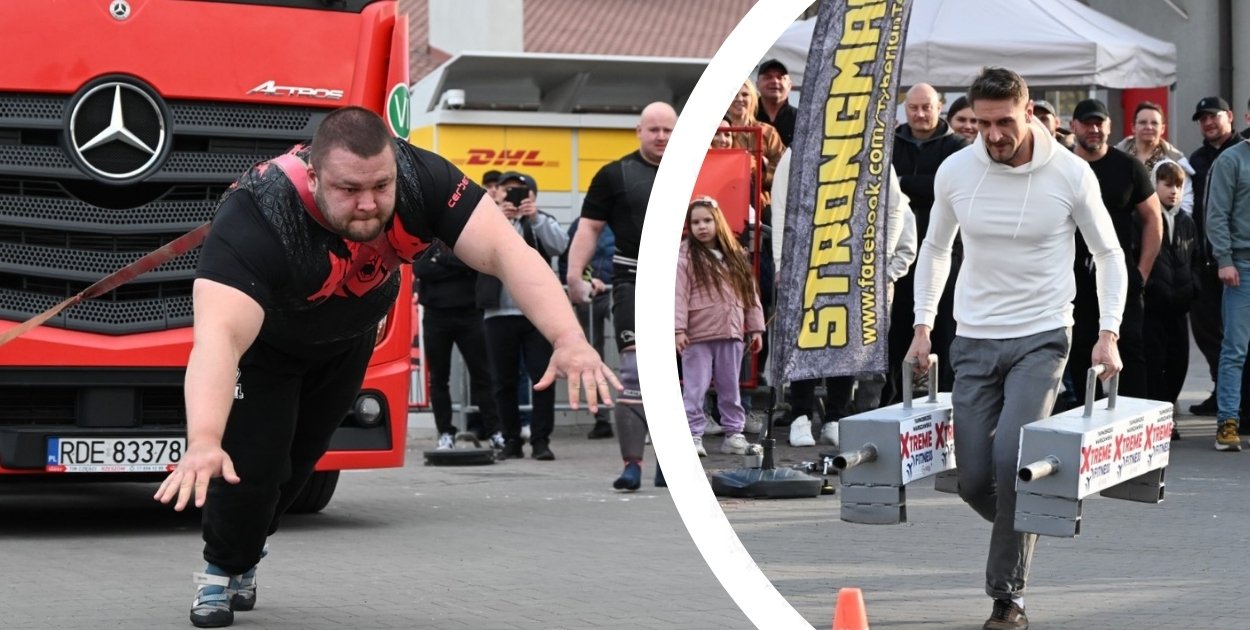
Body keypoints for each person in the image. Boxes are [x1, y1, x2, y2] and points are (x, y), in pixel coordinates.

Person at [152, 107, 617, 628]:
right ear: (313, 174)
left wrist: (569, 338)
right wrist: (205, 438)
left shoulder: (427, 180)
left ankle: (248, 551)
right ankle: (220, 573)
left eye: (380, 185)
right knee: (253, 466)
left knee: (297, 471)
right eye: (349, 189)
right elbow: (218, 338)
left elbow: (508, 252)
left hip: (346, 342)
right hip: (265, 350)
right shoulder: (260, 211)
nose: (369, 204)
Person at [907, 67, 1126, 630]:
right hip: (974, 336)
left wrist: (1108, 333)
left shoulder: (1071, 174)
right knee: (977, 479)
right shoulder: (956, 169)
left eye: (1005, 122)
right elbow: (935, 249)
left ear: (1029, 112)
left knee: (1015, 461)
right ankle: (1030, 516)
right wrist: (923, 324)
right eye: (982, 124)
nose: (995, 135)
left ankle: (1008, 599)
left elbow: (1108, 254)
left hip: (1043, 334)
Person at [770, 151, 917, 442]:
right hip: (808, 260)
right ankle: (800, 415)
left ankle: (836, 417)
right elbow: (781, 208)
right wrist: (780, 262)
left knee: (847, 342)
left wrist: (879, 266)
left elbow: (895, 207)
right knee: (807, 339)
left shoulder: (873, 142)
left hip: (856, 262)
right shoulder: (798, 149)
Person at [567, 101, 676, 491]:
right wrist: (574, 275)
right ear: (639, 131)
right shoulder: (614, 174)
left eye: (668, 130)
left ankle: (673, 464)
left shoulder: (696, 168)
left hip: (684, 283)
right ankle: (633, 464)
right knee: (634, 375)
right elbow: (589, 228)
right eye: (654, 130)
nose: (661, 137)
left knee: (680, 378)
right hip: (632, 279)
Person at [1068, 98, 1162, 402]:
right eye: (1087, 123)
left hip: (1122, 278)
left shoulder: (1128, 166)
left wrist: (1141, 272)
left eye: (1100, 123)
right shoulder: (1062, 167)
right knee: (1081, 352)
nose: (1094, 129)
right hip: (1073, 280)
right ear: (1073, 127)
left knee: (1131, 351)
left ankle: (1135, 426)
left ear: (1109, 126)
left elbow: (1153, 219)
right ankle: (1086, 432)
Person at [477, 171, 569, 461]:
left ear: (532, 196)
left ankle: (541, 440)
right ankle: (511, 440)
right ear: (498, 194)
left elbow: (560, 245)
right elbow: (475, 251)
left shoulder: (543, 220)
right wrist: (502, 220)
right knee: (503, 381)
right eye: (508, 191)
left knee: (542, 377)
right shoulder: (487, 222)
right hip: (498, 313)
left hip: (537, 314)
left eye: (521, 191)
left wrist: (535, 218)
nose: (514, 196)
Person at [890, 83, 968, 402]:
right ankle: (892, 399)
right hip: (898, 252)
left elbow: (948, 189)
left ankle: (948, 398)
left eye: (927, 107)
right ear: (904, 109)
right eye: (913, 108)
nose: (920, 114)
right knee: (897, 329)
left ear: (940, 107)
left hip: (948, 251)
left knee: (946, 326)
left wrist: (905, 183)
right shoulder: (889, 144)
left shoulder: (959, 147)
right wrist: (924, 185)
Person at [675, 196, 764, 457]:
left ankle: (734, 433)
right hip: (697, 334)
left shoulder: (735, 255)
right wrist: (679, 330)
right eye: (695, 222)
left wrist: (755, 327)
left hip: (732, 331)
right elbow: (679, 295)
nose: (702, 227)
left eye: (707, 220)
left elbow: (751, 294)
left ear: (718, 222)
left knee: (730, 387)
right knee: (695, 387)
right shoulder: (685, 256)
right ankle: (692, 434)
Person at [414, 242, 504, 450]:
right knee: (438, 379)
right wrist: (457, 266)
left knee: (483, 375)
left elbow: (474, 265)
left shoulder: (464, 239)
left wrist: (443, 260)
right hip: (435, 316)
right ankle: (445, 432)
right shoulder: (427, 241)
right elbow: (421, 269)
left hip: (469, 315)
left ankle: (494, 431)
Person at [1187, 96, 1243, 417]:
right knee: (1207, 331)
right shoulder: (1196, 159)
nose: (1208, 123)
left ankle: (1237, 402)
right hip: (1204, 262)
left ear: (1231, 117)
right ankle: (1220, 390)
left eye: (1214, 116)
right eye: (1202, 118)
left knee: (1237, 338)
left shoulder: (1241, 153)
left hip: (1238, 261)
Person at [1142, 162, 1199, 440]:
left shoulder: (1187, 221)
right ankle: (1159, 421)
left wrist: (1193, 288)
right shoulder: (1145, 218)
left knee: (1179, 364)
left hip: (1179, 307)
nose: (1173, 191)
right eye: (1167, 184)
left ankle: (1167, 412)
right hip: (1153, 306)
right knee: (1154, 363)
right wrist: (1148, 286)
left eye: (1178, 185)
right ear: (1155, 185)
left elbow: (1195, 259)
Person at [1204, 128, 1250, 451]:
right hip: (1242, 267)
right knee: (1235, 349)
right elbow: (1216, 214)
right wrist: (1225, 259)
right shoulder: (1231, 160)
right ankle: (1227, 423)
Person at [558, 220, 616, 439]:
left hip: (616, 290)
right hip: (588, 296)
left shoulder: (619, 220)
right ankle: (601, 419)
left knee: (632, 353)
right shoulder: (579, 226)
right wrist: (582, 283)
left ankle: (643, 419)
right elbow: (567, 261)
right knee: (592, 359)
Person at [1113, 101, 1194, 214]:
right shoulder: (1116, 158)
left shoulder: (1176, 162)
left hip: (1162, 227)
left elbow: (1185, 202)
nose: (1148, 127)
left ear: (1162, 129)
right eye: (1142, 122)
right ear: (1133, 127)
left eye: (1154, 123)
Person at [726, 79, 785, 206]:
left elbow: (784, 170)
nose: (739, 99)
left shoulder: (768, 132)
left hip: (763, 204)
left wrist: (762, 171)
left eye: (745, 94)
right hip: (726, 199)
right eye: (734, 94)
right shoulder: (718, 132)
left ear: (753, 98)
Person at [754, 58, 797, 147]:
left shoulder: (801, 119)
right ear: (757, 85)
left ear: (790, 85)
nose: (774, 81)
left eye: (780, 77)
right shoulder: (747, 117)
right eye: (768, 77)